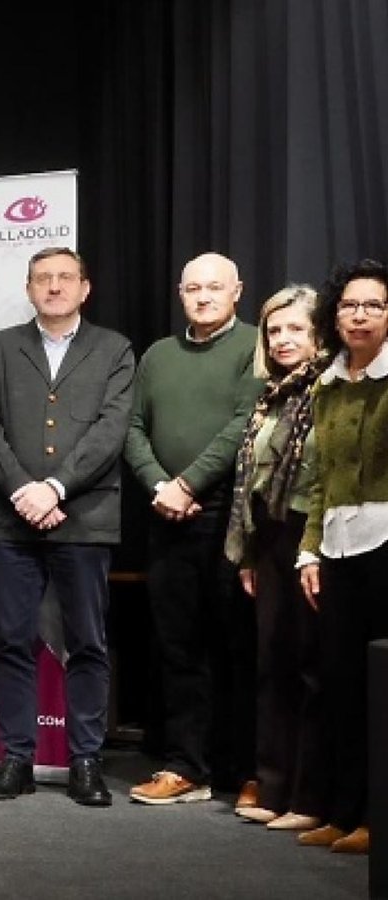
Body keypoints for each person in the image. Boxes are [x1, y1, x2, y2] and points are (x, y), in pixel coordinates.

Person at [0, 247, 135, 806]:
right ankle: (17, 759)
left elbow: (111, 430)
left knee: (87, 643)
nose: (55, 286)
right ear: (30, 288)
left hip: (83, 520)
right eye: (44, 278)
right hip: (10, 522)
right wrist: (24, 489)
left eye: (66, 277)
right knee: (12, 641)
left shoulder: (114, 349)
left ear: (85, 288)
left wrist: (56, 487)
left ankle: (86, 760)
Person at [124, 252, 262, 805]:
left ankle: (248, 770)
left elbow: (245, 424)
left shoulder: (255, 345)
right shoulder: (159, 354)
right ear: (180, 294)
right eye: (193, 289)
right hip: (166, 519)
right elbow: (133, 429)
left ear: (238, 291)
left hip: (230, 517)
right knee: (179, 649)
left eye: (214, 288)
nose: (203, 297)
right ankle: (187, 767)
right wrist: (161, 485)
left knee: (238, 647)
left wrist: (189, 484)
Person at [222, 284, 327, 830]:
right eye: (274, 330)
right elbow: (252, 485)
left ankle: (311, 799)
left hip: (315, 535)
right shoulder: (273, 394)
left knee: (312, 668)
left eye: (296, 329)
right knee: (273, 666)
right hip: (269, 540)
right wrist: (246, 555)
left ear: (319, 334)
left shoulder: (328, 387)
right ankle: (275, 786)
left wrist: (314, 549)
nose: (283, 339)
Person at [294, 259, 388, 855]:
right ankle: (344, 810)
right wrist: (308, 553)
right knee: (340, 686)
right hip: (336, 546)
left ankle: (378, 819)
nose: (359, 315)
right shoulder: (326, 382)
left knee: (382, 690)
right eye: (350, 305)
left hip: (386, 542)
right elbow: (321, 478)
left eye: (374, 305)